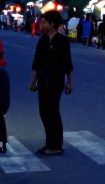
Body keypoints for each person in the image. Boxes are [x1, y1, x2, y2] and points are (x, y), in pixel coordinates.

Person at [30, 9, 73, 155]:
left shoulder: (62, 41)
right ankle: (49, 143)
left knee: (53, 111)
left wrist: (69, 82)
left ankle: (56, 145)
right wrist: (33, 81)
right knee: (43, 111)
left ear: (52, 24)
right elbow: (37, 63)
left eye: (44, 22)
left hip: (56, 80)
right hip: (42, 80)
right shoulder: (42, 40)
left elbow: (68, 64)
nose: (41, 24)